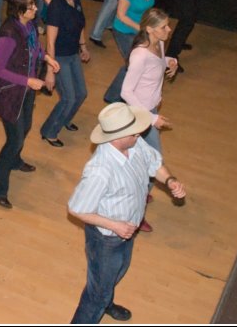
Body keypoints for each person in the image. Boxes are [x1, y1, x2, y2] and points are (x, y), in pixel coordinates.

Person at [69, 102, 186, 323]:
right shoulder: (100, 170)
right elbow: (76, 208)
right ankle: (98, 305)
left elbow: (155, 164)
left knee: (117, 272)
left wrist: (170, 180)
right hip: (106, 239)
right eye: (134, 132)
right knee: (96, 294)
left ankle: (107, 302)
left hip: (128, 229)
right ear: (117, 137)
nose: (140, 133)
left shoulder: (134, 142)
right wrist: (115, 225)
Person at [0, 0, 59, 209]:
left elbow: (35, 48)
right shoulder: (8, 34)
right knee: (14, 139)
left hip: (26, 91)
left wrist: (47, 59)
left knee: (26, 126)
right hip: (10, 93)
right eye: (31, 6)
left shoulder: (29, 26)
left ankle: (16, 161)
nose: (36, 8)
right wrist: (28, 81)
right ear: (19, 9)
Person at [121, 8, 179, 232]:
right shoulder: (140, 55)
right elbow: (126, 91)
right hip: (141, 116)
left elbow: (159, 62)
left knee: (148, 163)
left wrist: (170, 61)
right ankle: (134, 215)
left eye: (168, 25)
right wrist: (151, 118)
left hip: (150, 111)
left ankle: (142, 194)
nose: (169, 29)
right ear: (149, 29)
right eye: (164, 26)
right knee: (154, 161)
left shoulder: (158, 44)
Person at [40, 0, 90, 147]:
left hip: (73, 54)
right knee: (68, 97)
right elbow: (50, 42)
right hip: (59, 58)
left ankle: (65, 119)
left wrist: (83, 47)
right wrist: (50, 71)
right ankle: (49, 131)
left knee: (81, 93)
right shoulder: (56, 6)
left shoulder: (75, 0)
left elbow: (80, 25)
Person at [104, 0, 155, 103]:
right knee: (133, 64)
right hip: (124, 31)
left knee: (140, 63)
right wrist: (139, 27)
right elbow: (121, 15)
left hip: (141, 29)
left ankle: (130, 91)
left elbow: (147, 5)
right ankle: (112, 96)